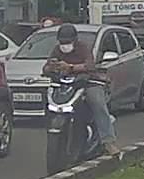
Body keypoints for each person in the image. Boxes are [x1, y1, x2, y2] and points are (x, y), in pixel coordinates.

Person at [43, 24, 119, 157]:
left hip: (87, 83)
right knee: (50, 101)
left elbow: (90, 65)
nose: (65, 45)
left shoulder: (83, 48)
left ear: (74, 40)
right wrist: (52, 67)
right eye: (62, 42)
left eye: (68, 42)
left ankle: (108, 141)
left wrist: (71, 67)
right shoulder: (57, 50)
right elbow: (46, 68)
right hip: (66, 86)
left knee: (97, 103)